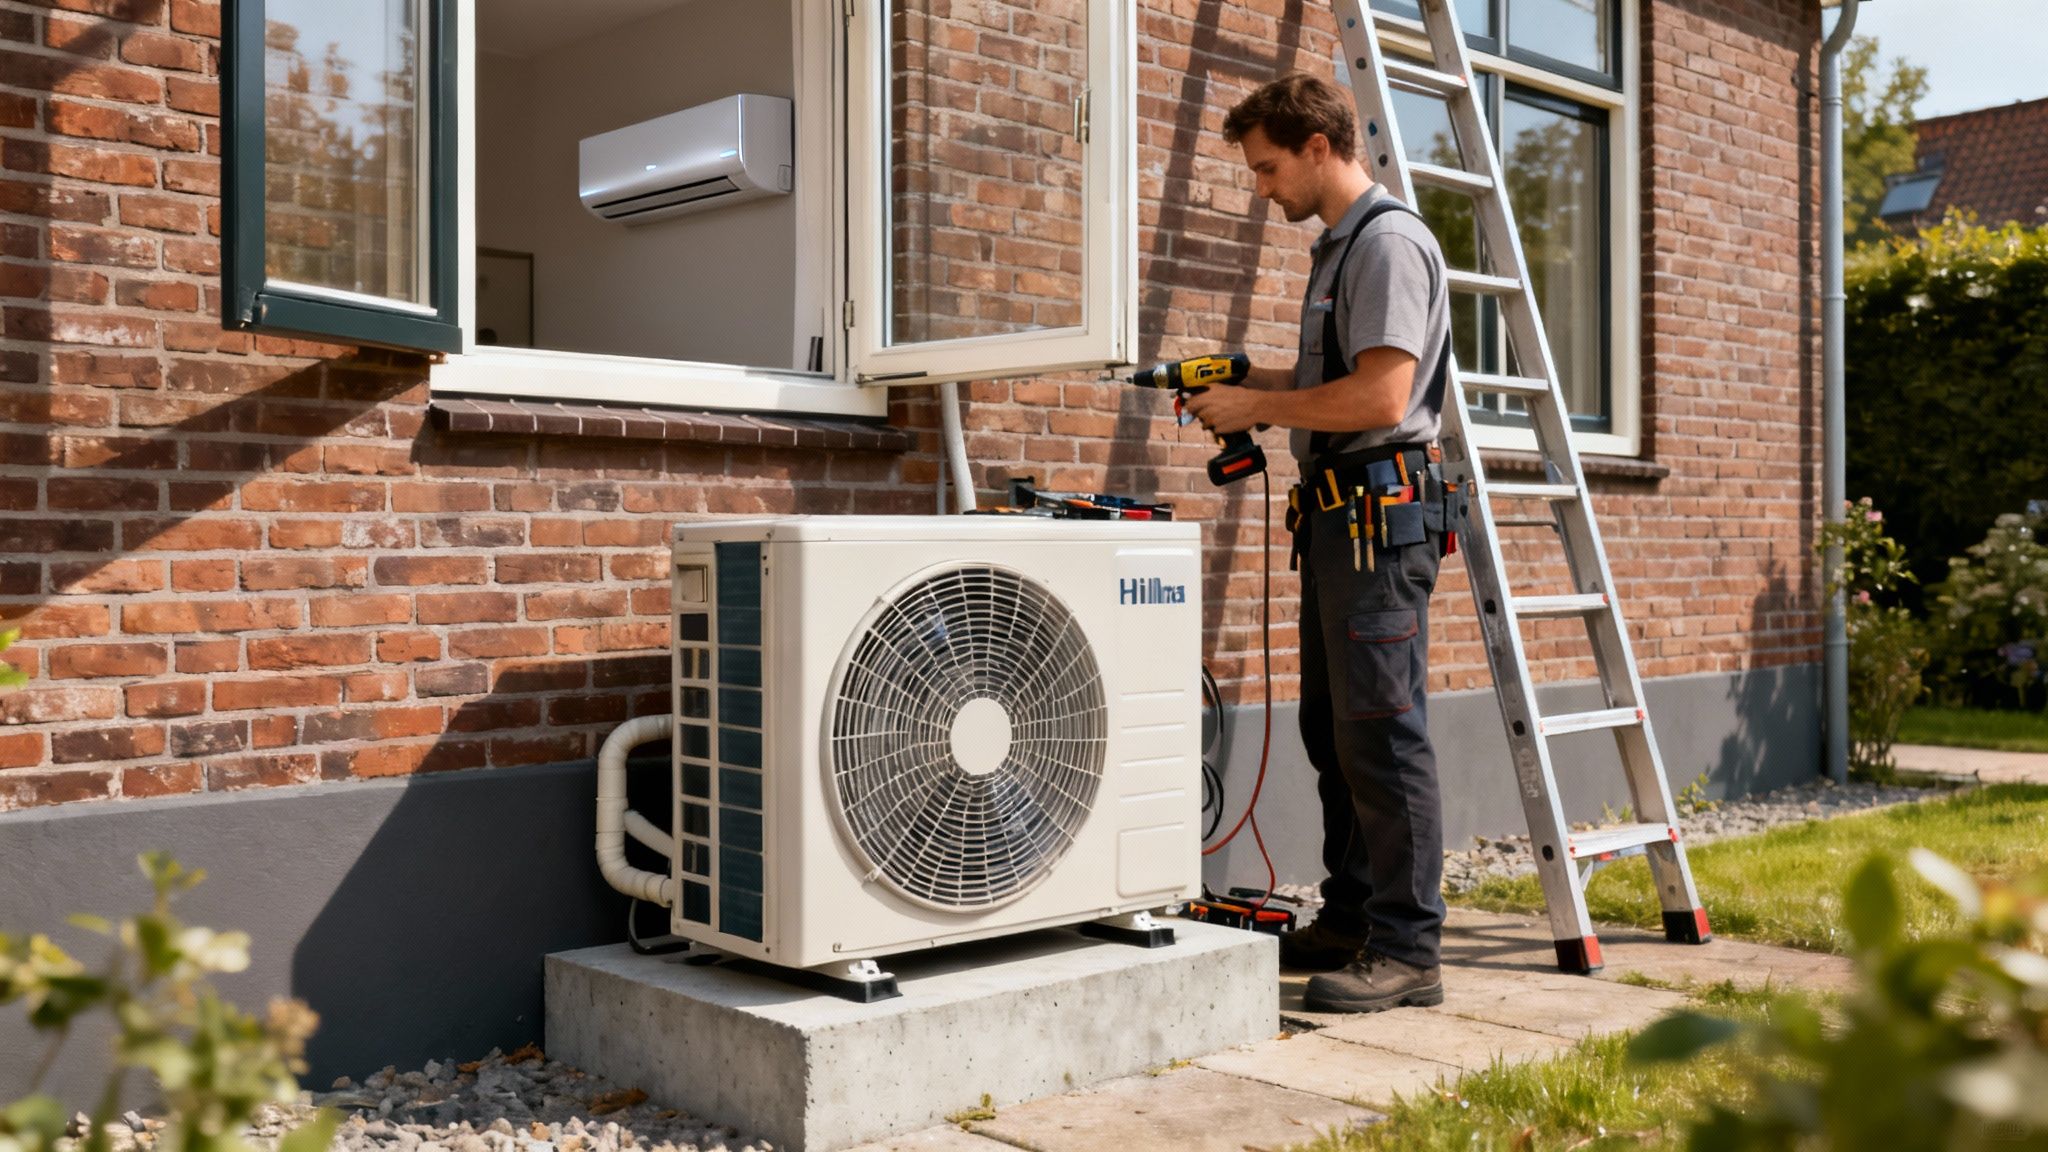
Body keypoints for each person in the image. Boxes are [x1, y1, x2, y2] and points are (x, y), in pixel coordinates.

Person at [1184, 72, 1456, 1014]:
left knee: (1381, 734)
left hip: (1379, 518)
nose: (1262, 188)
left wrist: (1256, 405)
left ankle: (1411, 950)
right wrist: (1238, 371)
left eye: (1266, 168)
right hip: (1338, 519)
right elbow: (1330, 372)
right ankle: (1351, 920)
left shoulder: (1386, 245)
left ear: (1316, 146)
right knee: (1328, 731)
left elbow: (1383, 397)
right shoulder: (1339, 251)